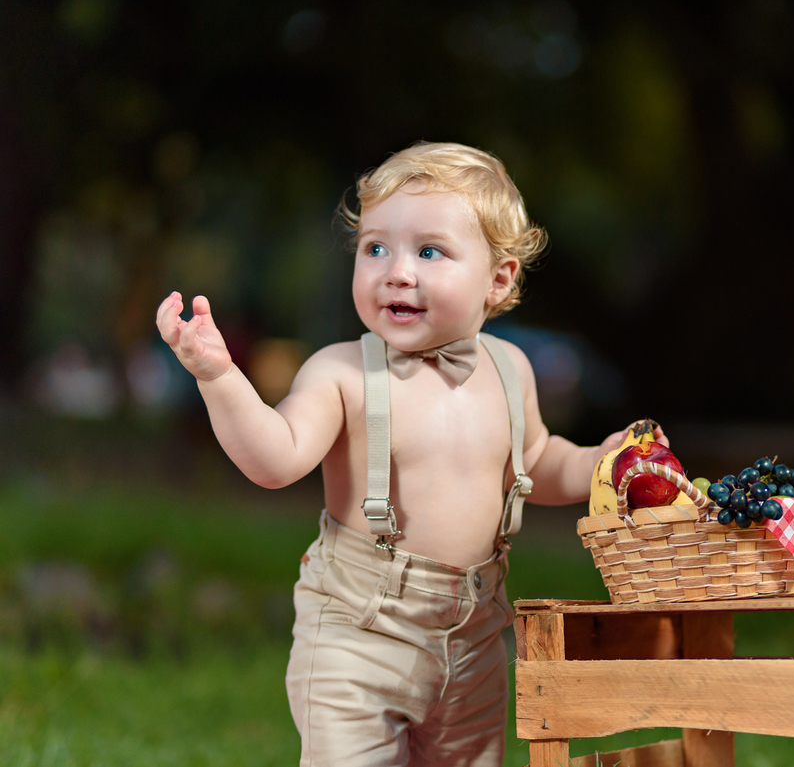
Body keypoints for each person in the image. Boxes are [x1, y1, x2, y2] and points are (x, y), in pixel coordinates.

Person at [155, 142, 663, 767]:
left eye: (429, 251)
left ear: (498, 279)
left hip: (476, 636)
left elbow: (537, 459)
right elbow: (275, 457)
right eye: (376, 248)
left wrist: (598, 463)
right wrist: (219, 377)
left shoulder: (510, 368)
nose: (396, 271)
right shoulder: (340, 373)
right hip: (359, 629)